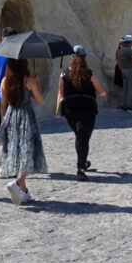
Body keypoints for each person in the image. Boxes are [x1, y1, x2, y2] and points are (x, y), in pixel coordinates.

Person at [0, 58, 47, 204]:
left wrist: (2, 120)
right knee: (28, 151)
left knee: (17, 150)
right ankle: (18, 182)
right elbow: (39, 100)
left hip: (11, 115)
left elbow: (3, 104)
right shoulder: (29, 80)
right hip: (26, 115)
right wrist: (36, 82)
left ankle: (24, 191)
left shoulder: (5, 81)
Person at [56, 45, 107, 180]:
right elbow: (100, 91)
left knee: (80, 136)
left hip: (70, 110)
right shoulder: (89, 74)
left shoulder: (64, 74)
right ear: (84, 58)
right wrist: (101, 92)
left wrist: (59, 110)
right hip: (87, 109)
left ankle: (83, 162)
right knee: (83, 138)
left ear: (72, 58)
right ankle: (80, 168)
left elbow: (61, 93)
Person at [117, 35, 132, 110]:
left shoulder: (120, 50)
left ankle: (123, 104)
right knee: (131, 89)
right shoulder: (129, 50)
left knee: (125, 89)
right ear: (130, 42)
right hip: (130, 70)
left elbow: (119, 61)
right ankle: (129, 106)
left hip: (124, 70)